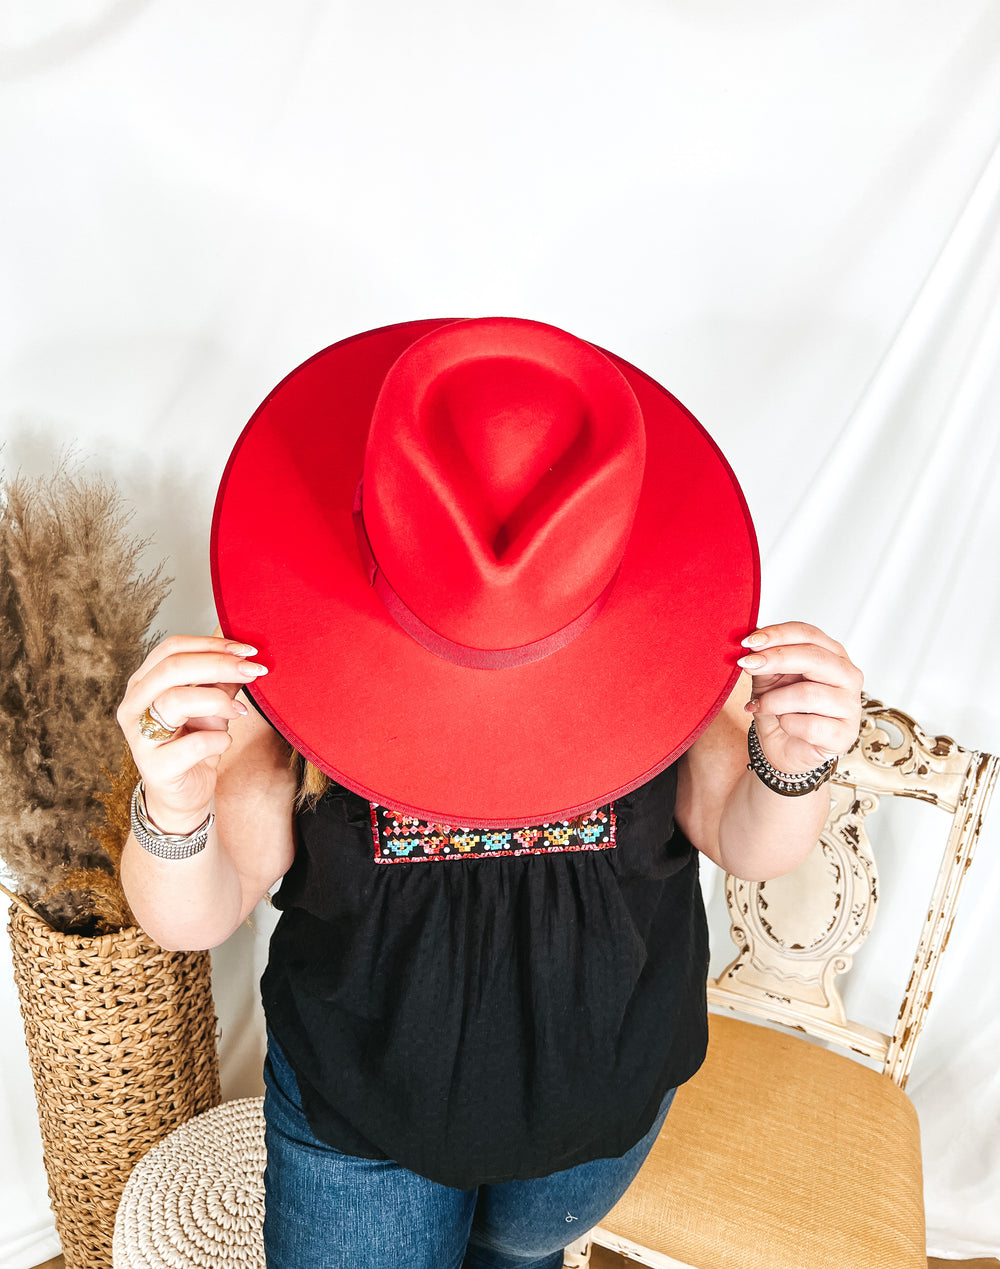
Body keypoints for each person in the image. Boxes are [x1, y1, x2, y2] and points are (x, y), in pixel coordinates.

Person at [117, 317, 863, 1269]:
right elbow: (194, 915)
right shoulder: (300, 663)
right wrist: (173, 809)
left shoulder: (667, 650)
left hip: (591, 1121)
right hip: (361, 1134)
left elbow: (746, 840)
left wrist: (792, 762)